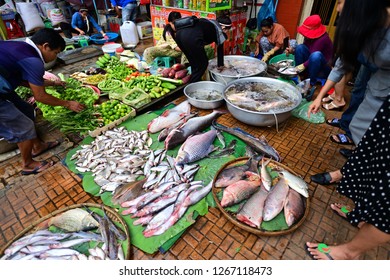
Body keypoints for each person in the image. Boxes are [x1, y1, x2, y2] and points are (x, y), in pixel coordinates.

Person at [305, 0, 390, 260]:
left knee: (385, 195)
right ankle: (358, 211)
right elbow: (343, 63)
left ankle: (349, 253)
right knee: (365, 149)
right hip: (380, 95)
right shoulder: (363, 30)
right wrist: (321, 96)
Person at [0, 28, 85, 175]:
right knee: (24, 127)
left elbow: (24, 81)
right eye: (55, 53)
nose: (54, 57)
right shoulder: (33, 60)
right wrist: (68, 103)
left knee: (26, 110)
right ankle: (27, 164)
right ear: (45, 46)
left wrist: (53, 83)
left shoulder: (19, 46)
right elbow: (40, 96)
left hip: (3, 85)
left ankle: (37, 146)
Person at [170, 15, 232, 83]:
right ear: (223, 27)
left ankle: (194, 80)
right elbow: (220, 50)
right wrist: (220, 65)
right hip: (191, 38)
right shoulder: (220, 31)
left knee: (193, 61)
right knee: (203, 63)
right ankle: (192, 84)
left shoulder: (209, 22)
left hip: (179, 36)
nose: (227, 32)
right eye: (227, 30)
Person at [285, 15, 333, 98]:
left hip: (322, 69)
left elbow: (313, 56)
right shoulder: (310, 38)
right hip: (312, 65)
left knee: (316, 55)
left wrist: (302, 65)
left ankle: (311, 83)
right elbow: (305, 50)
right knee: (300, 47)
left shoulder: (323, 39)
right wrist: (292, 51)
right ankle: (301, 76)